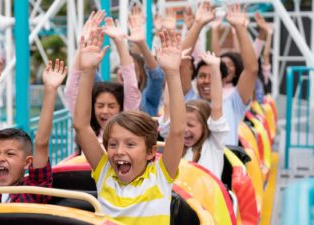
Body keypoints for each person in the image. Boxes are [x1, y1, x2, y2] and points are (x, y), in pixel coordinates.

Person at [73, 28, 187, 224]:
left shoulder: (160, 175)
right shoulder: (105, 173)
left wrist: (173, 73)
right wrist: (88, 71)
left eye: (130, 144)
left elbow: (177, 131)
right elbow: (81, 127)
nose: (119, 151)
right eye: (113, 144)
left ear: (151, 152)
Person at [0, 57, 67, 205]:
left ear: (28, 162)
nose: (0, 158)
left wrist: (50, 90)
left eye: (10, 154)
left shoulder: (34, 192)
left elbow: (41, 143)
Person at [164, 2, 257, 146]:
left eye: (212, 75)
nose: (206, 81)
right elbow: (180, 61)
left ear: (223, 79)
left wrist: (239, 28)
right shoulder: (190, 99)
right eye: (202, 76)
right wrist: (198, 23)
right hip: (189, 165)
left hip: (224, 165)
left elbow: (251, 70)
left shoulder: (234, 102)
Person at [183, 52, 229, 178]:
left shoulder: (214, 143)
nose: (184, 129)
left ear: (205, 126)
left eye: (191, 125)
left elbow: (217, 106)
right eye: (181, 124)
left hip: (209, 197)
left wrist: (215, 67)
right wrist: (172, 71)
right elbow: (168, 104)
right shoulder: (176, 144)